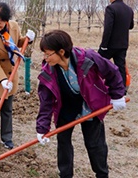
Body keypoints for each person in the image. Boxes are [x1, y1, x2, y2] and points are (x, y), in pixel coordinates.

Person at [36, 30, 126, 178]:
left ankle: (102, 174)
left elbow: (112, 71)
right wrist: (42, 128)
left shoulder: (87, 58)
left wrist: (117, 95)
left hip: (90, 105)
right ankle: (66, 175)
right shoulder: (48, 72)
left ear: (61, 51)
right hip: (65, 108)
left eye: (48, 54)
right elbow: (46, 102)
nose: (45, 58)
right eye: (44, 54)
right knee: (63, 144)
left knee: (95, 145)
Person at [0, 2, 35, 156]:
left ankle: (7, 138)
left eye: (0, 22)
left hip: (10, 73)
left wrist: (27, 39)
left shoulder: (14, 26)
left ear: (6, 20)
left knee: (7, 109)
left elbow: (15, 44)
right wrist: (2, 80)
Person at [98, 0, 134, 92]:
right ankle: (121, 90)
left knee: (98, 64)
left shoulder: (111, 8)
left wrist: (104, 45)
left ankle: (97, 87)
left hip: (110, 45)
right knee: (120, 67)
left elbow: (108, 28)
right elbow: (131, 26)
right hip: (123, 44)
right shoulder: (129, 9)